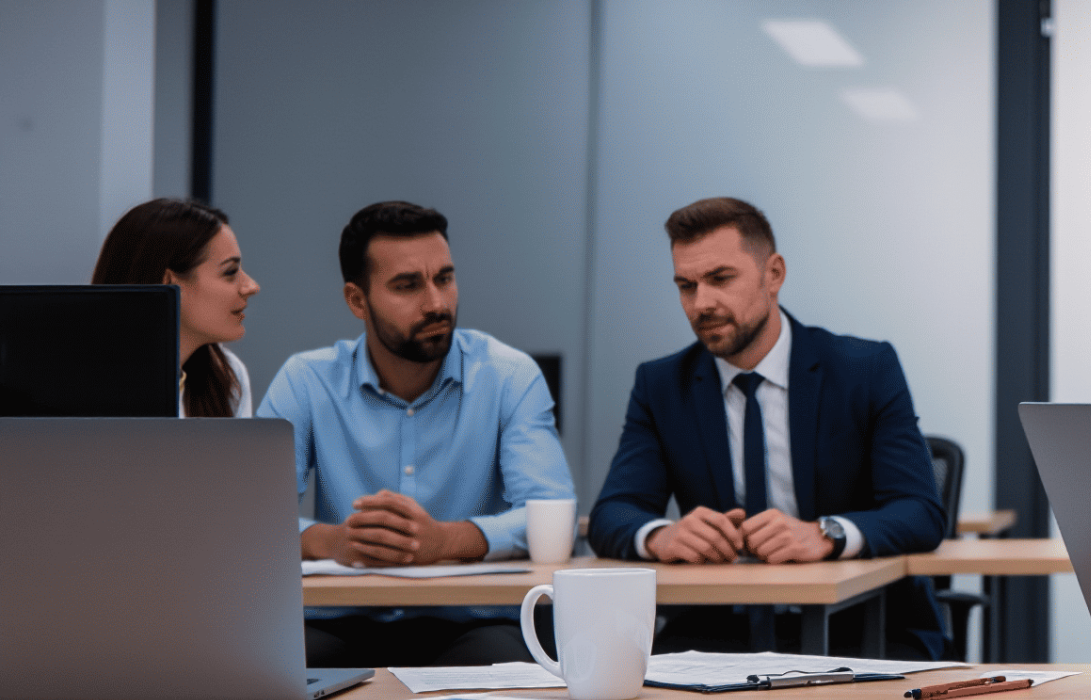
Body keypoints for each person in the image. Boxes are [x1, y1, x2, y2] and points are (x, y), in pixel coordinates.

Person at [589, 197, 950, 659]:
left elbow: (921, 512)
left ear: (773, 274)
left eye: (720, 279)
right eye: (686, 285)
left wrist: (826, 534)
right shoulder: (662, 386)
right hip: (718, 635)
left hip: (861, 625)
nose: (702, 303)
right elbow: (612, 514)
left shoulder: (864, 369)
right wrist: (664, 536)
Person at [261, 200, 578, 668]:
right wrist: (336, 543)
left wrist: (444, 541)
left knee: (513, 688)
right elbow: (251, 523)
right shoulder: (307, 381)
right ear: (357, 300)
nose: (435, 303)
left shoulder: (509, 376)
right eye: (407, 286)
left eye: (444, 278)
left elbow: (554, 517)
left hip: (471, 622)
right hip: (340, 621)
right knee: (269, 677)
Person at [93, 197, 260, 419]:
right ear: (169, 284)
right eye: (230, 272)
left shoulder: (227, 375)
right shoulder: (80, 380)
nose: (251, 286)